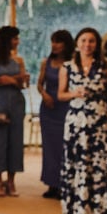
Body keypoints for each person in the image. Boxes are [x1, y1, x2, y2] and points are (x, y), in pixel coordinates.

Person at [58, 27, 107, 214]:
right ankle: (78, 211)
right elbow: (60, 94)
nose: (87, 45)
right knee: (79, 164)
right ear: (77, 44)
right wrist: (74, 93)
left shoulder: (106, 64)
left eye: (91, 41)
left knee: (103, 165)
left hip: (101, 121)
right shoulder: (67, 66)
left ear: (97, 44)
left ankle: (104, 213)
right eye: (83, 40)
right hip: (76, 124)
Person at [0, 26, 28, 197]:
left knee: (16, 142)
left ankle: (11, 180)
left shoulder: (19, 60)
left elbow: (22, 84)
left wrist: (8, 79)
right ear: (6, 39)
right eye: (15, 38)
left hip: (17, 103)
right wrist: (12, 79)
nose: (18, 41)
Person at [37, 29, 73, 199]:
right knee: (49, 148)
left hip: (65, 108)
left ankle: (65, 183)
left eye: (58, 41)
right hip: (48, 109)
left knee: (64, 147)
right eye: (53, 41)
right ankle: (52, 184)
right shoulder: (47, 62)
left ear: (66, 44)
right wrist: (44, 95)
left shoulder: (73, 62)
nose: (55, 45)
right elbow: (39, 84)